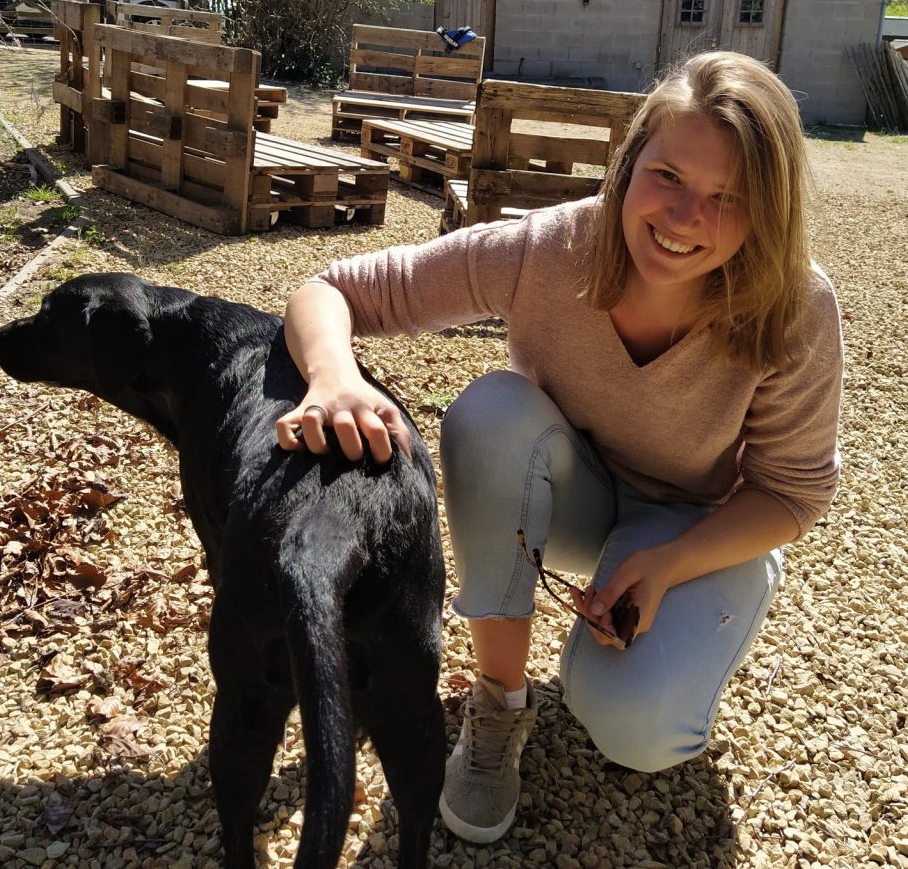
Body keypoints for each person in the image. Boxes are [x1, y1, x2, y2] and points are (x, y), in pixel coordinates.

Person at [274, 51, 843, 845]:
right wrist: (333, 376)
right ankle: (500, 700)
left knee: (638, 733)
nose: (686, 217)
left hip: (693, 522)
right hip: (569, 490)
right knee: (490, 411)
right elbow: (330, 291)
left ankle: (675, 642)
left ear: (769, 213)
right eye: (668, 176)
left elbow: (792, 491)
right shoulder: (550, 249)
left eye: (730, 198)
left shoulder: (794, 305)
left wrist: (672, 563)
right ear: (629, 162)